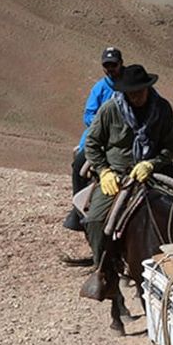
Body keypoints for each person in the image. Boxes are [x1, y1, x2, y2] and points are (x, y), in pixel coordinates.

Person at [83, 65, 173, 267]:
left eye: (139, 91)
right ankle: (103, 271)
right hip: (118, 173)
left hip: (156, 169)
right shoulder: (110, 110)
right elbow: (92, 144)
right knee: (95, 221)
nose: (136, 96)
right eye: (131, 93)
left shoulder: (162, 108)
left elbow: (169, 146)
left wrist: (152, 163)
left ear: (148, 88)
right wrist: (104, 171)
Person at [64, 47, 124, 233]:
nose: (110, 69)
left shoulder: (131, 82)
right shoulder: (99, 88)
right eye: (106, 65)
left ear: (121, 63)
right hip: (100, 136)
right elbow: (88, 115)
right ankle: (77, 211)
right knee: (78, 166)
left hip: (127, 136)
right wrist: (103, 124)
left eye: (113, 64)